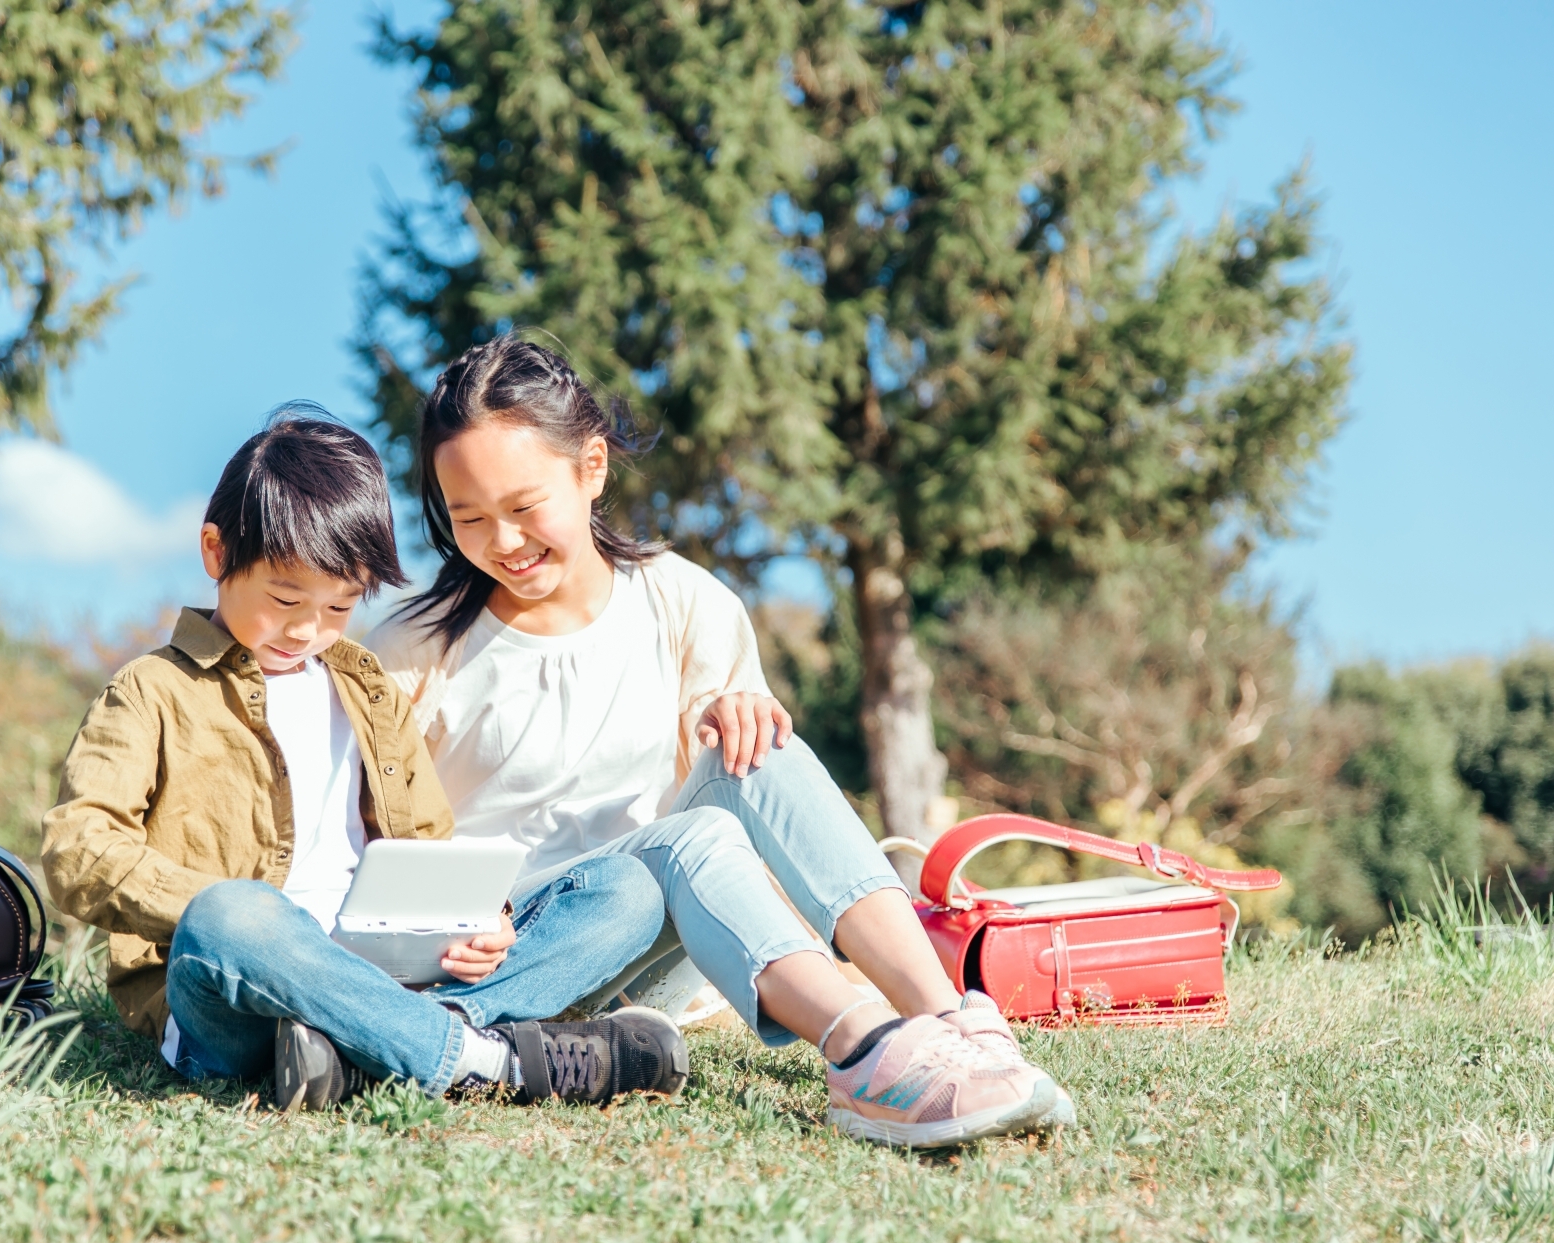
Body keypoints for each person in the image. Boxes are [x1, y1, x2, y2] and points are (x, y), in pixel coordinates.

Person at [368, 338, 1071, 1148]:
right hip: (516, 960)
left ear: (592, 468)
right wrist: (457, 917)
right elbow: (372, 840)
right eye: (468, 518)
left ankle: (948, 1020)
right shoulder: (412, 651)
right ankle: (867, 1055)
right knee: (689, 837)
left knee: (762, 745)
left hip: (656, 955)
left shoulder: (680, 600)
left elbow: (737, 781)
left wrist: (742, 709)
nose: (502, 540)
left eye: (524, 507)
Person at [41, 404, 689, 1111]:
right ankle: (486, 1060)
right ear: (216, 553)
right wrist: (236, 914)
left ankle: (366, 1047)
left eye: (339, 608)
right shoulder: (152, 690)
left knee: (624, 890)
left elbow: (427, 841)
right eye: (285, 597)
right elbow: (78, 850)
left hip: (386, 967)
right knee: (231, 914)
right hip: (239, 989)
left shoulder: (367, 687)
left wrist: (480, 917)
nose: (306, 629)